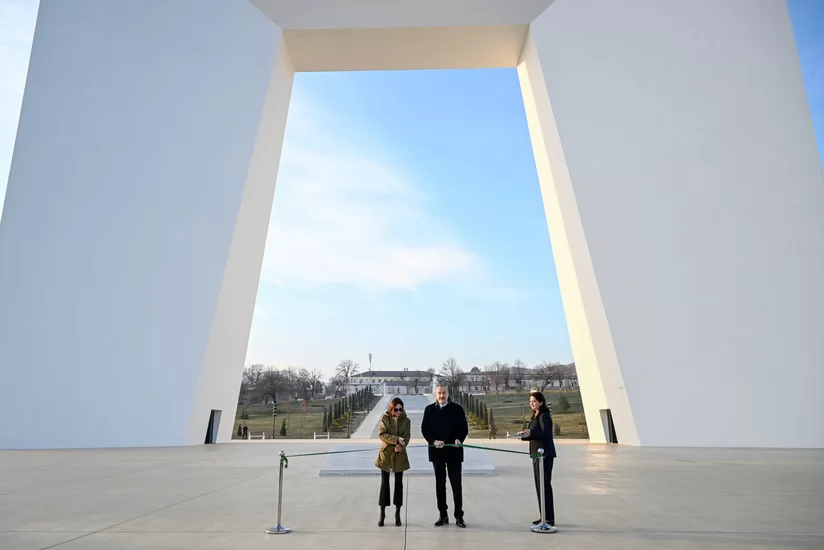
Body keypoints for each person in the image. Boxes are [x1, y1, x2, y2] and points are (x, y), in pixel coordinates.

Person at [421, 385, 469, 528]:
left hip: (454, 452)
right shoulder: (429, 410)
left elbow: (464, 428)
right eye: (439, 393)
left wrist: (459, 439)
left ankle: (459, 516)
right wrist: (433, 441)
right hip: (437, 453)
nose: (442, 396)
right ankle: (443, 515)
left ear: (448, 393)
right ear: (435, 395)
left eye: (444, 393)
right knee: (440, 485)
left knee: (456, 485)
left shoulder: (458, 409)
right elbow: (425, 429)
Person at [520, 391, 558, 532]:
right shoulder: (535, 416)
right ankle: (543, 515)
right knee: (539, 485)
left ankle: (548, 518)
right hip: (537, 456)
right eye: (530, 401)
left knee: (544, 485)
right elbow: (535, 435)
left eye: (534, 401)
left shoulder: (544, 416)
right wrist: (525, 435)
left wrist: (531, 433)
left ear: (541, 402)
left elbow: (546, 435)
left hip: (545, 455)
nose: (532, 404)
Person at [375, 397, 411, 527]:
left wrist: (400, 446)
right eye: (396, 410)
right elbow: (382, 434)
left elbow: (406, 437)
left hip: (399, 455)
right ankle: (382, 512)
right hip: (386, 454)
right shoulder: (385, 419)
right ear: (391, 409)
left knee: (399, 484)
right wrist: (396, 439)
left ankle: (397, 513)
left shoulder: (406, 421)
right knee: (384, 484)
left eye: (400, 409)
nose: (398, 412)